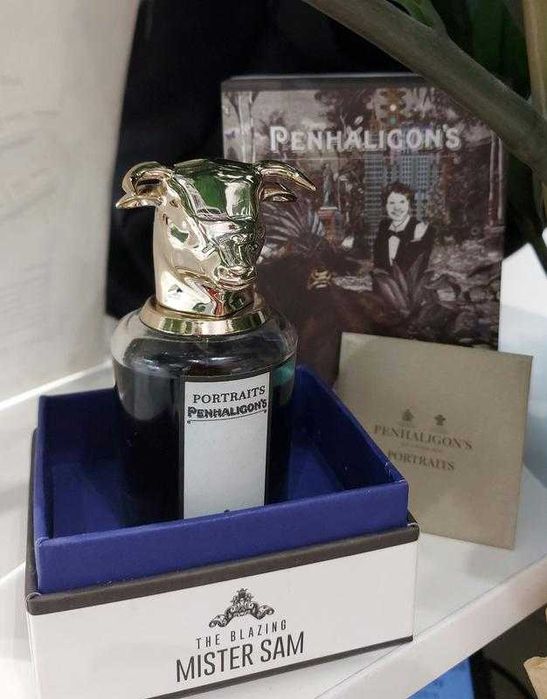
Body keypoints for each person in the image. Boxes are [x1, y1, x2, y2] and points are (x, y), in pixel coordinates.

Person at [373, 182, 435, 273]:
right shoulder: (383, 227)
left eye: (401, 202)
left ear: (409, 204)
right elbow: (378, 265)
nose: (397, 207)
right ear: (386, 206)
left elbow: (418, 268)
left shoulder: (422, 229)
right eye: (392, 203)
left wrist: (416, 240)